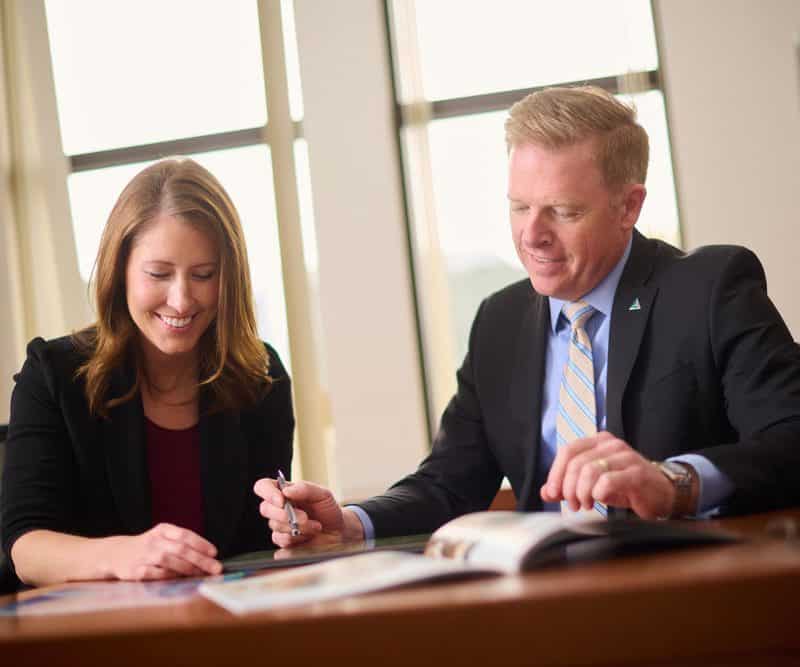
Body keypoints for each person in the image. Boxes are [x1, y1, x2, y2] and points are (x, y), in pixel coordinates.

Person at [257, 85, 800, 547]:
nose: (532, 235)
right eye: (519, 207)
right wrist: (351, 522)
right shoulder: (500, 321)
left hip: (686, 589)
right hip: (542, 598)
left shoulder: (708, 288)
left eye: (563, 211)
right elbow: (449, 483)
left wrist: (673, 483)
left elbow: (790, 439)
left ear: (629, 206)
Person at [0, 158, 294, 587]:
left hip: (226, 618)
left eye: (204, 275)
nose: (182, 300)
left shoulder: (260, 376)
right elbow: (25, 547)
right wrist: (122, 554)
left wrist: (292, 527)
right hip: (97, 623)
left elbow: (260, 543)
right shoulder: (54, 375)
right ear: (120, 270)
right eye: (159, 274)